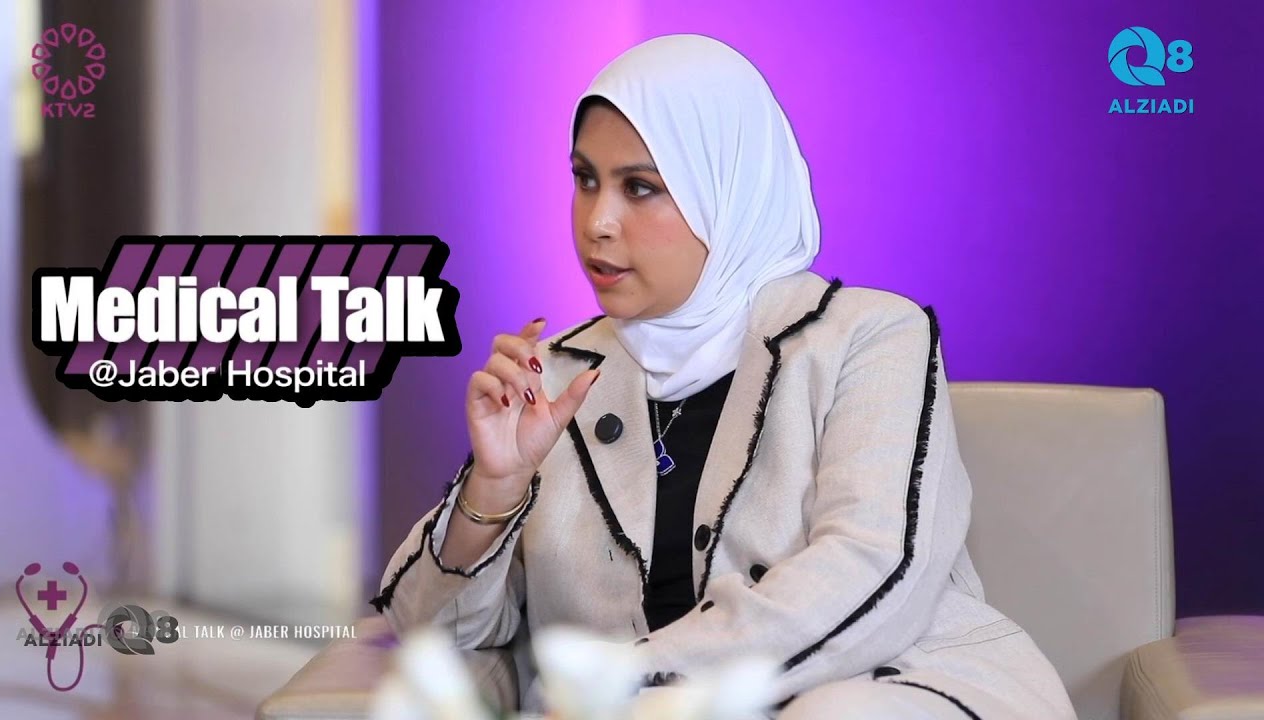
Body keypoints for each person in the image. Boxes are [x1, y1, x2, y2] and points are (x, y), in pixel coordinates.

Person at [372, 34, 1076, 719]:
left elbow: (871, 567)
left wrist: (621, 683)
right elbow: (434, 637)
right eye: (585, 179)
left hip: (885, 690)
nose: (597, 222)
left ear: (727, 189)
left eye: (640, 187)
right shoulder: (553, 376)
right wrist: (495, 487)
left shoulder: (868, 336)